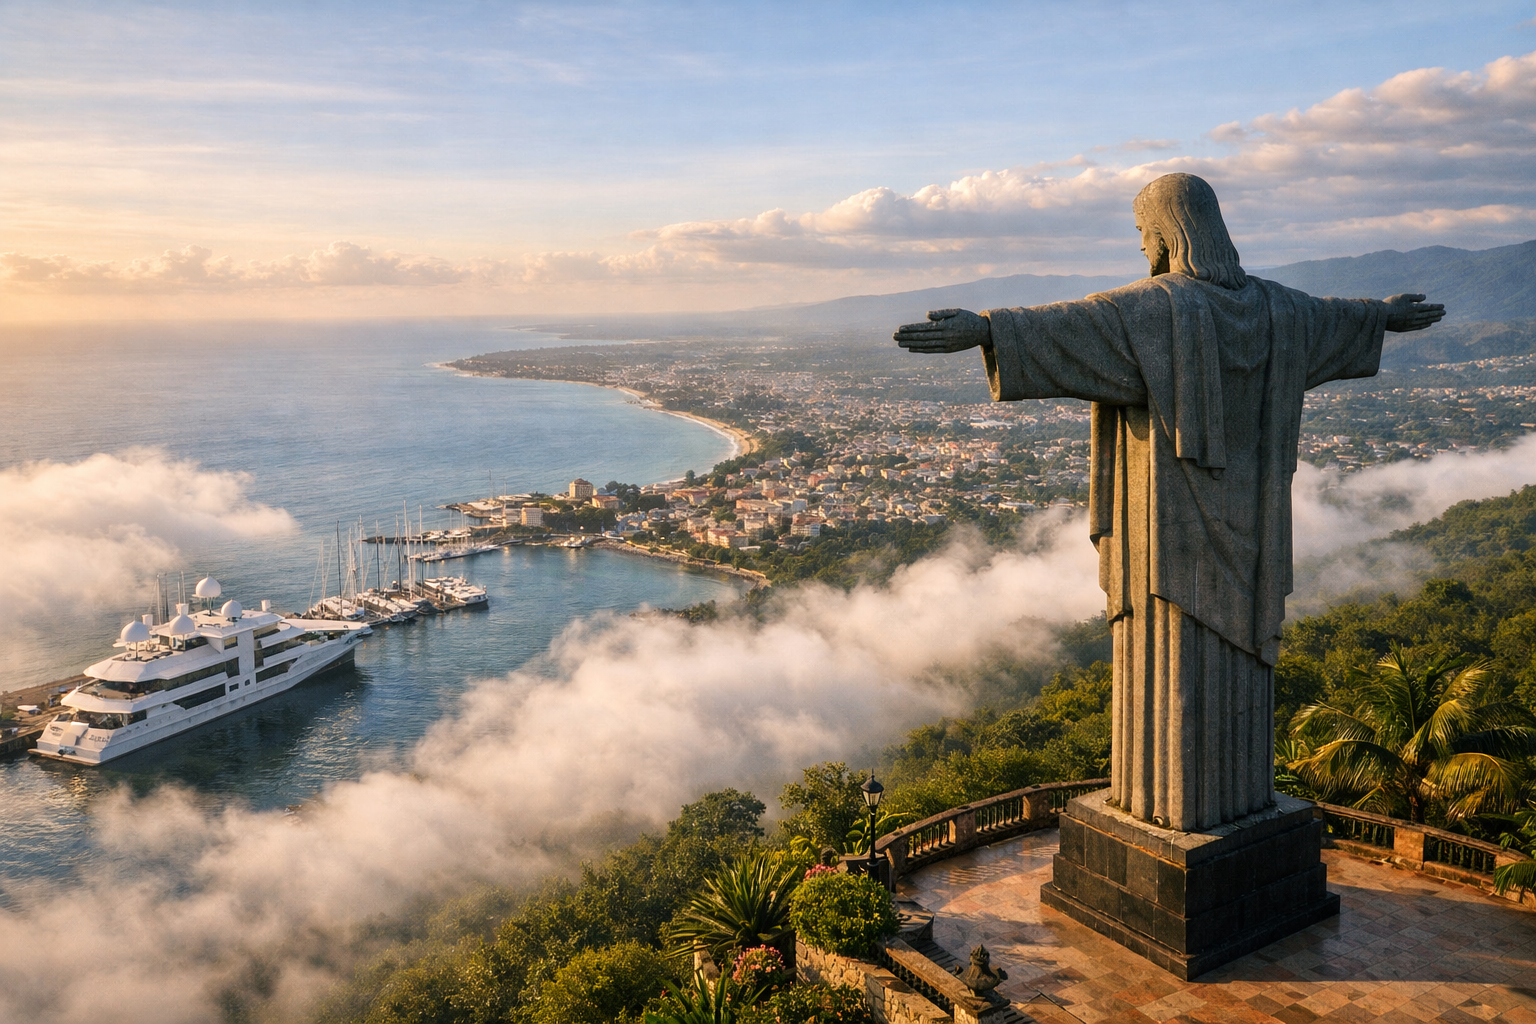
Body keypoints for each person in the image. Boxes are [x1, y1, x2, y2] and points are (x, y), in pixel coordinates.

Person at [894, 174, 1443, 830]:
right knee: (1227, 670)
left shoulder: (1152, 310)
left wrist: (987, 329)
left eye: (1141, 230)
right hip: (1255, 535)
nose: (1141, 244)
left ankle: (1169, 814)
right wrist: (1383, 315)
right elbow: (1337, 316)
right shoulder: (1280, 311)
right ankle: (1234, 806)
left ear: (1166, 230)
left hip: (1164, 534)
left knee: (1170, 665)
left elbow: (1070, 325)